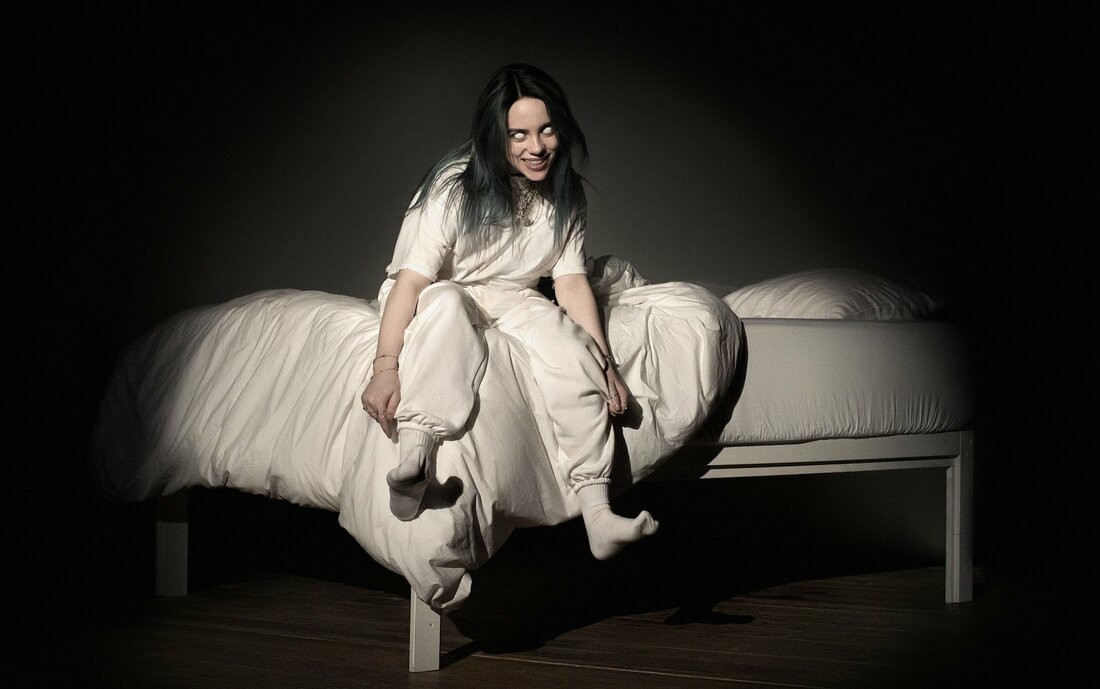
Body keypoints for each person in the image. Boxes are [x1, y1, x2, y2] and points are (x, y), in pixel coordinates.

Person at [360, 64, 657, 560]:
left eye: (546, 130)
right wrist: (385, 368)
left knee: (570, 348)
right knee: (448, 309)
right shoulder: (455, 185)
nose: (536, 147)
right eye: (518, 134)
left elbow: (570, 281)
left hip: (513, 295)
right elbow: (412, 281)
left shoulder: (566, 192)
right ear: (494, 135)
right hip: (440, 288)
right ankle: (414, 461)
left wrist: (606, 364)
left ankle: (598, 512)